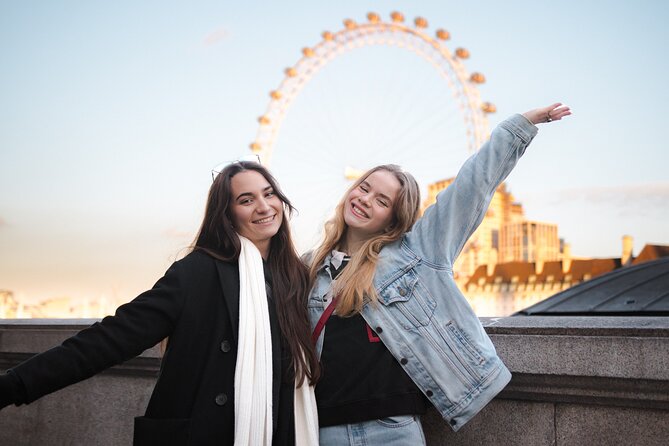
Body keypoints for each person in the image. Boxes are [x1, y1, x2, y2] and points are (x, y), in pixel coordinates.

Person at [0, 160, 321, 446]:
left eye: (269, 193)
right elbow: (112, 338)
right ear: (226, 215)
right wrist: (12, 386)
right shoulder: (198, 272)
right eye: (246, 200)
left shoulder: (296, 280)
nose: (264, 206)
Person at [305, 103, 571, 445]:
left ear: (393, 219)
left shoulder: (416, 253)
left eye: (382, 201)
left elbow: (471, 188)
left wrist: (518, 127)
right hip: (323, 429)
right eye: (364, 188)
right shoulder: (309, 268)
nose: (366, 199)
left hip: (393, 430)